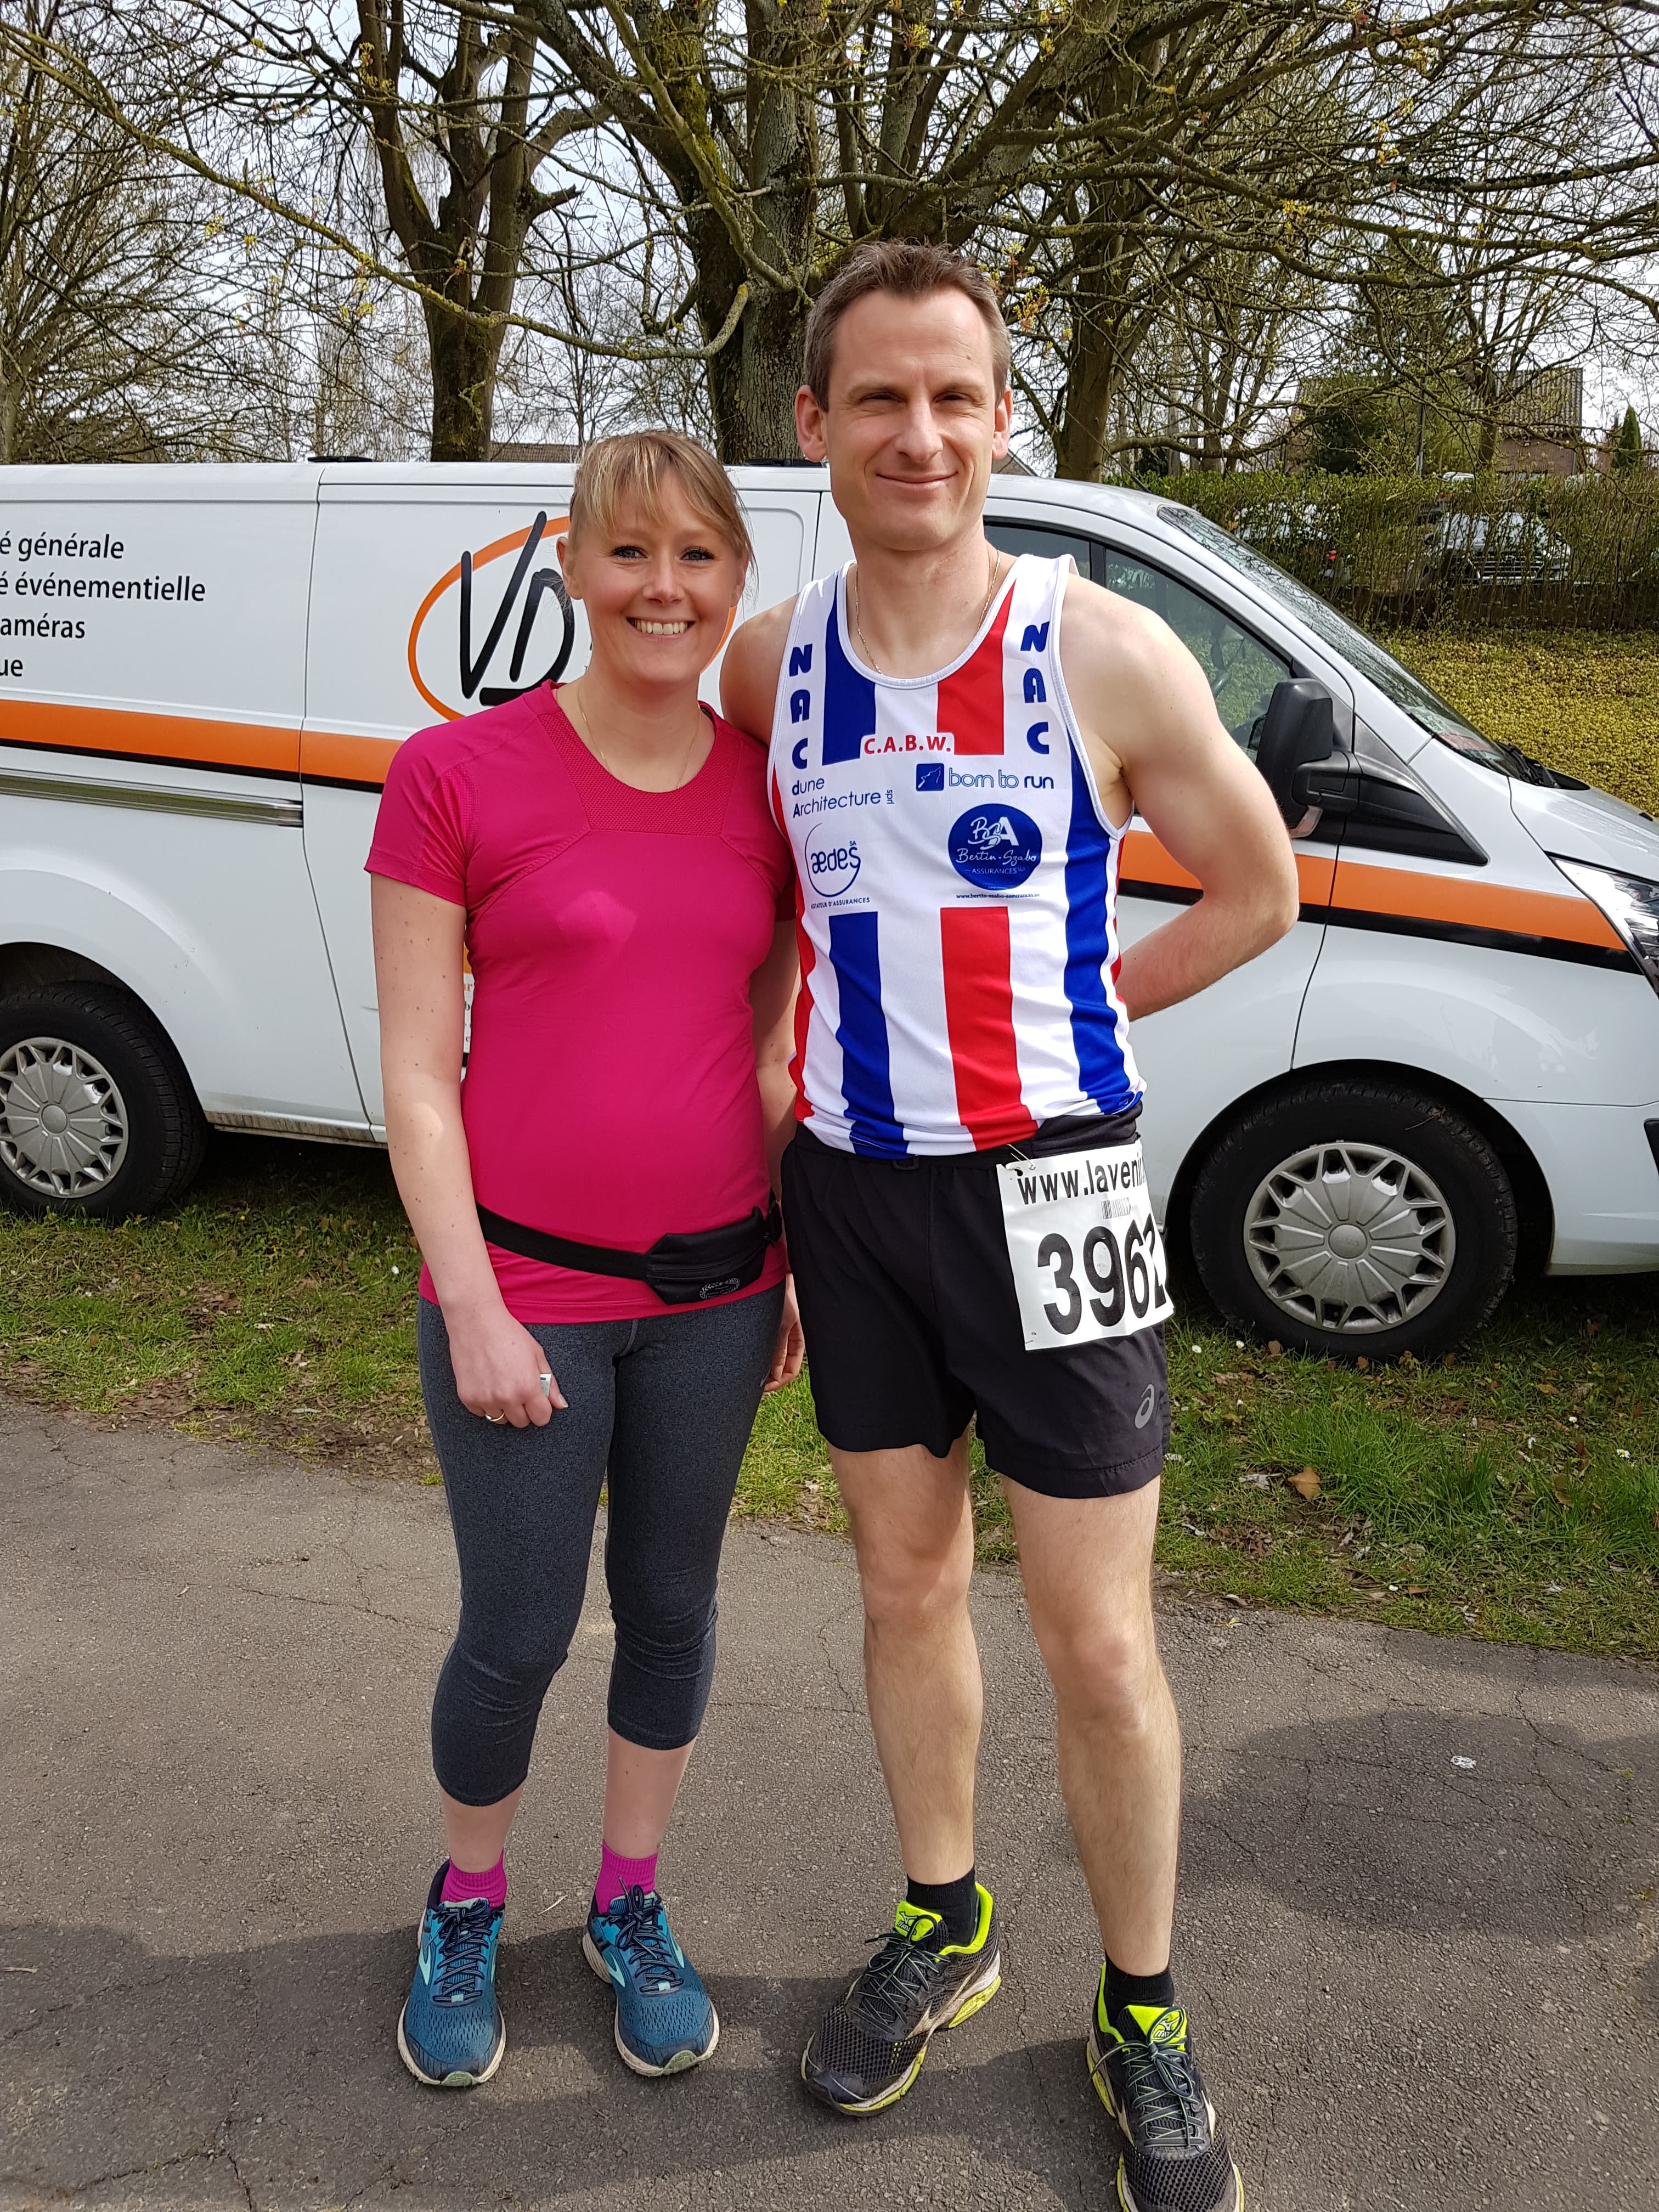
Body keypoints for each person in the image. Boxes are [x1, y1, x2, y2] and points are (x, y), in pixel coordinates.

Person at [722, 242, 1299, 2211]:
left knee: (1100, 1641)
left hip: (1055, 1187)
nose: (921, 433)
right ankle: (948, 1919)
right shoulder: (767, 664)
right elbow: (757, 913)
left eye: (954, 397)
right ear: (815, 423)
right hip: (853, 1195)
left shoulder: (1101, 647)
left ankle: (1142, 2009)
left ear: (1000, 421)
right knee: (903, 1590)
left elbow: (1257, 888)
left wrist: (1090, 1004)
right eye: (880, 397)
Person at [369, 430, 802, 2091]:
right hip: (525, 1294)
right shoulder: (455, 774)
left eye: (698, 556)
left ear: (736, 581)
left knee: (673, 1610)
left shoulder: (766, 787)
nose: (663, 588)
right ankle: (468, 1902)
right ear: (570, 567)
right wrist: (472, 1303)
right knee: (520, 1628)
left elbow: (771, 1044)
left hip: (718, 1294)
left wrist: (792, 1255)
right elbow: (419, 1073)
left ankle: (629, 1903)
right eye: (630, 553)